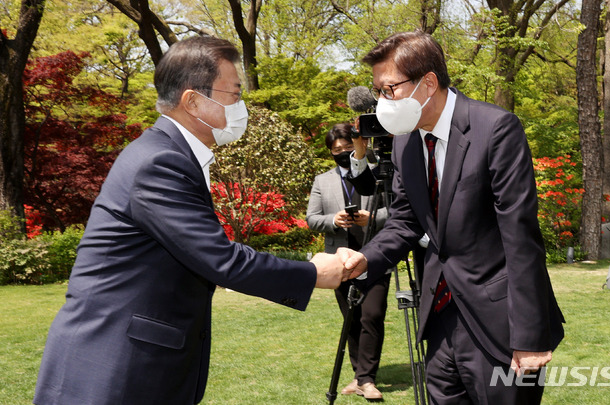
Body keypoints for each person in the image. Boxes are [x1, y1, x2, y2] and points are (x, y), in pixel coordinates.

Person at [33, 37, 352, 405]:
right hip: (110, 369)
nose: (241, 106)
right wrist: (312, 273)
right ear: (194, 101)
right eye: (234, 93)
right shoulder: (159, 162)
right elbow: (221, 260)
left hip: (134, 365)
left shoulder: (169, 154)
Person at [340, 31, 565, 405]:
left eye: (389, 89)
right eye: (378, 90)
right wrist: (365, 259)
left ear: (428, 83)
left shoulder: (495, 129)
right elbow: (404, 223)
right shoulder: (404, 142)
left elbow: (520, 238)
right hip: (440, 320)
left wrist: (529, 337)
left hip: (502, 324)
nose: (381, 101)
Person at [306, 123, 389, 400]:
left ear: (357, 146)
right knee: (351, 319)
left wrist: (372, 218)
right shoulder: (323, 180)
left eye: (347, 147)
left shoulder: (377, 173)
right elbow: (312, 218)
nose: (342, 153)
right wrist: (334, 220)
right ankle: (359, 375)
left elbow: (398, 213)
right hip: (339, 261)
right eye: (336, 150)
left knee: (372, 315)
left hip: (373, 255)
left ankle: (367, 379)